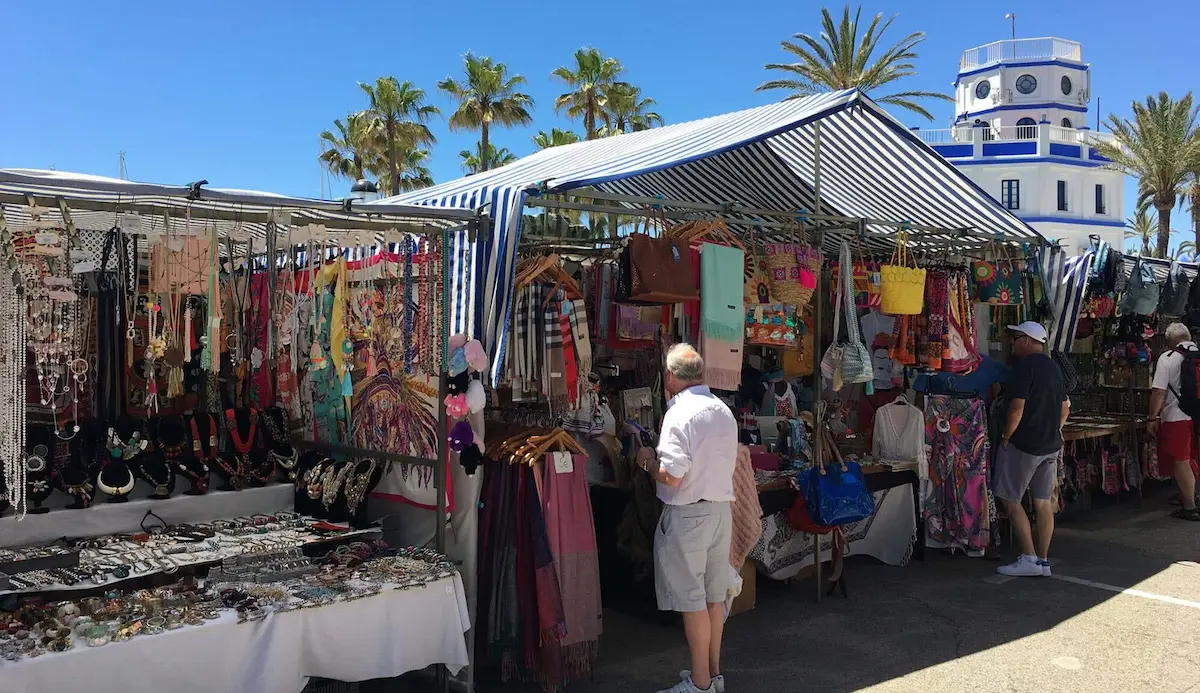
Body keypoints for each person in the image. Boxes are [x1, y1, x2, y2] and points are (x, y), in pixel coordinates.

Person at [637, 344, 737, 693]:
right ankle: (712, 676)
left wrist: (647, 462)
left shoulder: (680, 413)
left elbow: (672, 475)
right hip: (719, 511)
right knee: (712, 597)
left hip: (688, 514)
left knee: (693, 601)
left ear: (670, 377)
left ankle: (700, 683)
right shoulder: (723, 410)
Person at [993, 321, 1070, 577]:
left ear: (1026, 340)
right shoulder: (1053, 368)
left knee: (1010, 499)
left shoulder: (1024, 367)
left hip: (1026, 444)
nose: (1014, 342)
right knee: (1042, 502)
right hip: (1050, 445)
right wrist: (1055, 428)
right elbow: (1065, 406)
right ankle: (1043, 561)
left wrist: (1006, 435)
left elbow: (1017, 407)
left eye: (1016, 337)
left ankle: (1028, 557)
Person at [1148, 322, 1200, 521]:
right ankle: (1189, 495)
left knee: (1181, 461)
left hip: (1176, 416)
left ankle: (1189, 506)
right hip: (1196, 416)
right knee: (1192, 457)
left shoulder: (1168, 358)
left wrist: (1152, 417)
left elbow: (1159, 391)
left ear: (1170, 341)